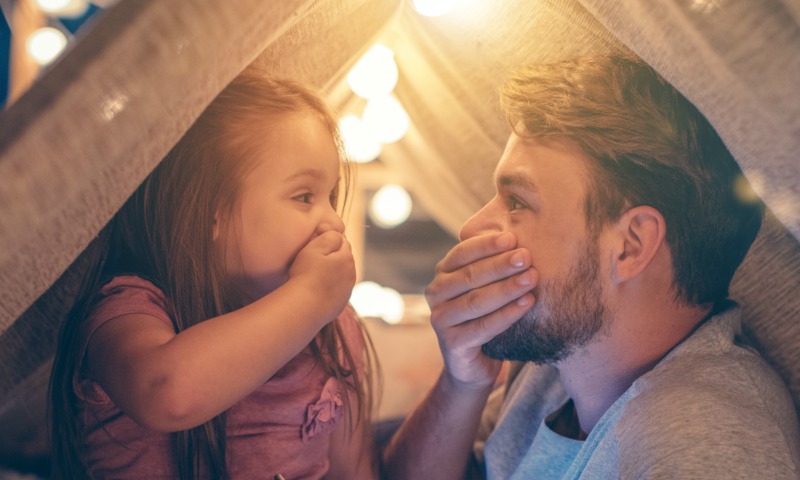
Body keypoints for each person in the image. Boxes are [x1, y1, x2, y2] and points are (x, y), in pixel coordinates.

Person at [382, 54, 800, 478]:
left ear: (631, 245)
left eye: (518, 202)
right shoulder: (555, 369)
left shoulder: (703, 442)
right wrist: (463, 383)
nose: (473, 226)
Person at [49, 66, 378, 480]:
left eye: (330, 197)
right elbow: (167, 394)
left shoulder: (333, 330)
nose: (335, 222)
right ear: (212, 212)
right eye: (304, 196)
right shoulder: (126, 311)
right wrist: (310, 297)